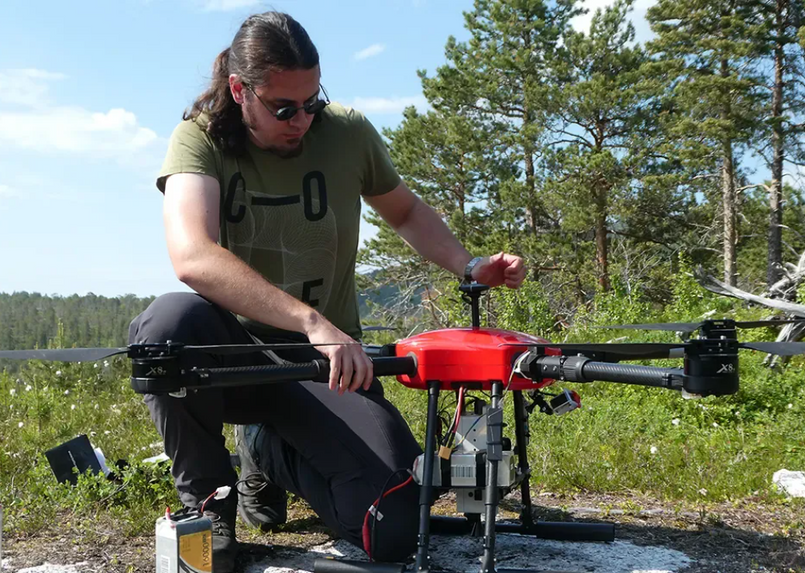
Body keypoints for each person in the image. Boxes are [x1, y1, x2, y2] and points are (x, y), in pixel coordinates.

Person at [129, 11, 527, 572]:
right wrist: (310, 321)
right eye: (284, 108)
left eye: (312, 102)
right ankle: (209, 504)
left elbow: (406, 211)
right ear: (240, 91)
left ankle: (268, 452)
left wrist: (469, 264)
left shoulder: (348, 133)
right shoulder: (199, 139)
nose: (301, 121)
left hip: (328, 367)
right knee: (165, 330)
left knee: (395, 523)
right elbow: (192, 256)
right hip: (235, 360)